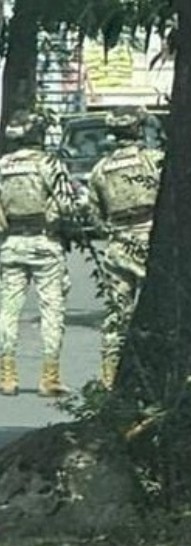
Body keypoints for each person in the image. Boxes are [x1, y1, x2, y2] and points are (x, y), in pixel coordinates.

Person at [87, 106, 163, 389]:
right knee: (156, 309)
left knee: (117, 312)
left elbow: (93, 214)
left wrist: (112, 231)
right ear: (139, 129)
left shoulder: (100, 169)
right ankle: (152, 376)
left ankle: (110, 376)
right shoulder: (154, 160)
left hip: (117, 242)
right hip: (149, 238)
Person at [0, 109, 75, 396]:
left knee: (8, 310)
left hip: (11, 244)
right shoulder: (49, 163)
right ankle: (49, 378)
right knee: (51, 309)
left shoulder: (3, 165)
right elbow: (67, 205)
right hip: (45, 242)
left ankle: (7, 377)